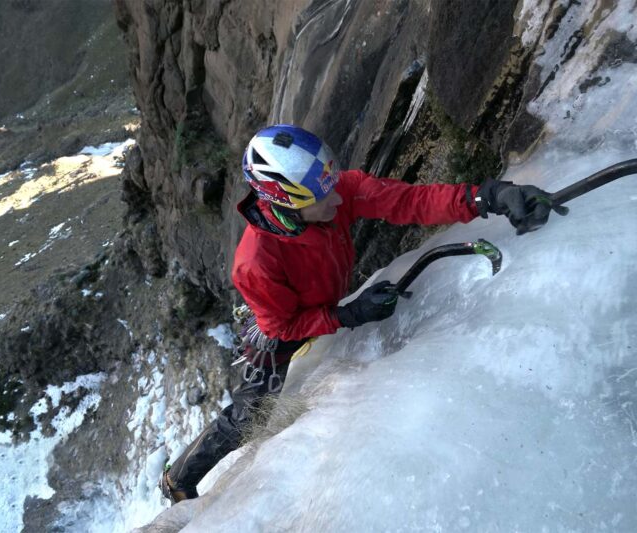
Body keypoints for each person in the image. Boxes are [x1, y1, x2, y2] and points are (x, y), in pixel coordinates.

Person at [159, 124, 565, 503]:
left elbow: (409, 202)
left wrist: (488, 197)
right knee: (250, 416)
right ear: (289, 204)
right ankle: (179, 479)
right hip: (280, 329)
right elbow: (282, 325)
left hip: (323, 303)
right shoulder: (256, 262)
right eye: (324, 197)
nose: (338, 198)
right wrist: (346, 316)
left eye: (333, 185)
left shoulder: (336, 193)